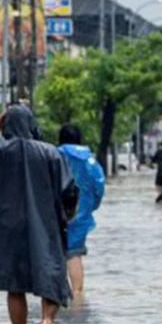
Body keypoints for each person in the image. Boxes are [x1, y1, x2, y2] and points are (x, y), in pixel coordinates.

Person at [0, 105, 79, 324]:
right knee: (51, 273)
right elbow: (69, 189)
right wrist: (67, 216)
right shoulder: (50, 152)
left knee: (15, 284)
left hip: (7, 228)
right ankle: (46, 323)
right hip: (45, 224)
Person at [57, 124, 106, 298]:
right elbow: (99, 186)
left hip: (54, 211)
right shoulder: (90, 160)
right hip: (80, 213)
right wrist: (91, 206)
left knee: (54, 253)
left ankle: (55, 296)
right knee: (74, 253)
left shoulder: (53, 155)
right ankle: (77, 297)